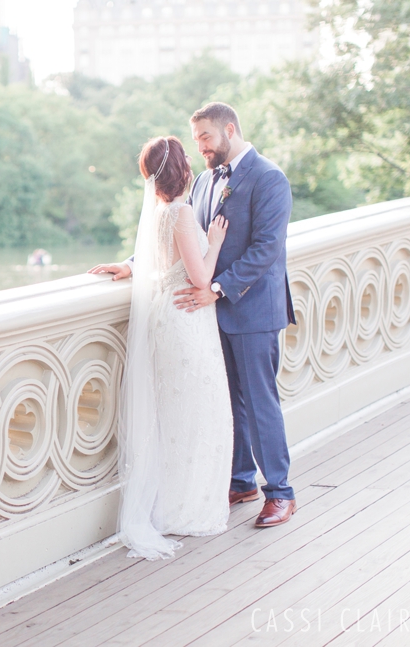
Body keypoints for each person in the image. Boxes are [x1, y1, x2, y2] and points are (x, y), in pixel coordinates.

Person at [91, 102, 298, 530]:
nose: (200, 146)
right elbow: (182, 236)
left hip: (250, 308)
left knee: (259, 403)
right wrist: (132, 264)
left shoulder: (269, 178)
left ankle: (280, 492)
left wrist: (216, 289)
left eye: (205, 137)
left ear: (229, 129)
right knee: (228, 400)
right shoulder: (204, 181)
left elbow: (266, 249)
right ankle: (240, 482)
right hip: (204, 312)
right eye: (196, 139)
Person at [90, 135, 233, 559]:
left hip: (167, 320)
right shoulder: (182, 213)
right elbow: (201, 278)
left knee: (172, 415)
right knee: (198, 412)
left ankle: (168, 504)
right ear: (180, 169)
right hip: (187, 321)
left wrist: (127, 265)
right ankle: (188, 510)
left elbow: (155, 263)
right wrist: (217, 240)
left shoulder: (156, 214)